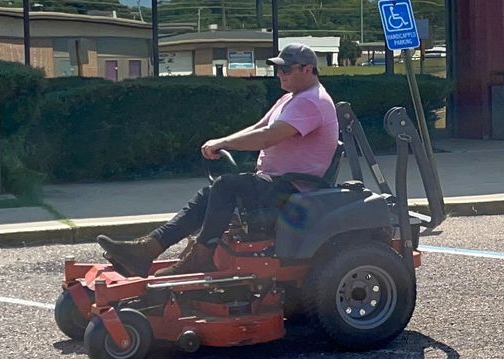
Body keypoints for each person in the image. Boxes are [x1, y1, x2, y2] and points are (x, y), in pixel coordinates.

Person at [97, 43, 339, 276]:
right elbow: (259, 127)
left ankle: (201, 256)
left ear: (307, 70)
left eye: (285, 69)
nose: (279, 74)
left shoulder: (311, 101)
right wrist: (222, 140)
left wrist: (223, 143)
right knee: (211, 192)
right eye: (277, 69)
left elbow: (266, 137)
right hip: (276, 182)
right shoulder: (290, 98)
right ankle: (147, 249)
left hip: (294, 189)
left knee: (226, 186)